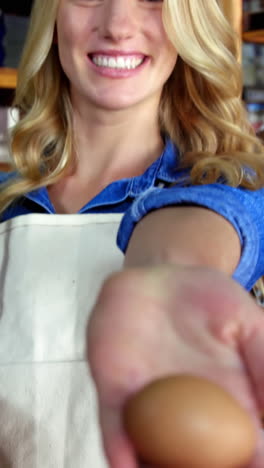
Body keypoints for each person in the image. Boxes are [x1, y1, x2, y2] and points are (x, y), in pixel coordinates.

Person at [0, 0, 264, 467]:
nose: (118, 26)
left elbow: (201, 221)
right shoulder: (6, 203)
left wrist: (169, 281)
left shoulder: (237, 189)